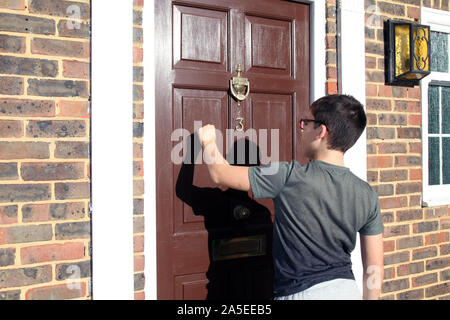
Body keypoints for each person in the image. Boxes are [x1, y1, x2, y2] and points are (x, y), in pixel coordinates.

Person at [197, 94, 384, 300]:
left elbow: (219, 173)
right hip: (347, 292)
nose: (301, 129)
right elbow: (373, 267)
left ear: (321, 131)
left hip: (302, 293)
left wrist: (208, 141)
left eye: (306, 123)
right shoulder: (367, 194)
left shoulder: (287, 175)